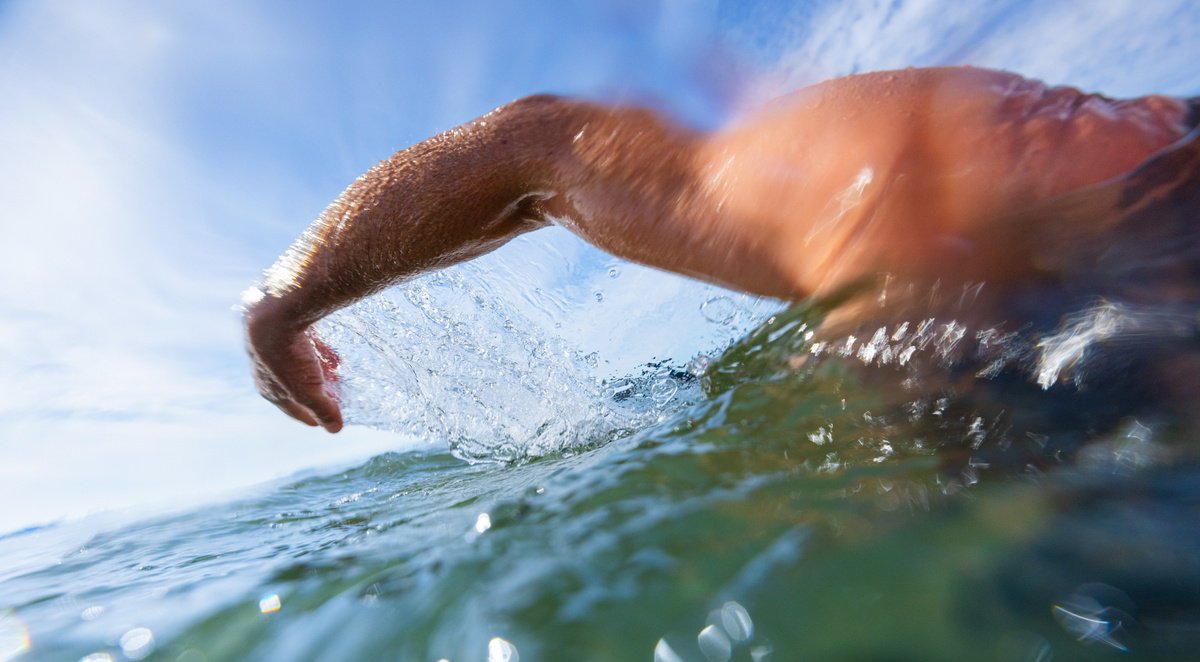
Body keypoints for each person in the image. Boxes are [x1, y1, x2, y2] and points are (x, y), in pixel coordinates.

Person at [243, 65, 1197, 433]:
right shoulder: (1078, 146)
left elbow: (541, 145)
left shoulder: (961, 155)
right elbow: (540, 145)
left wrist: (283, 305)